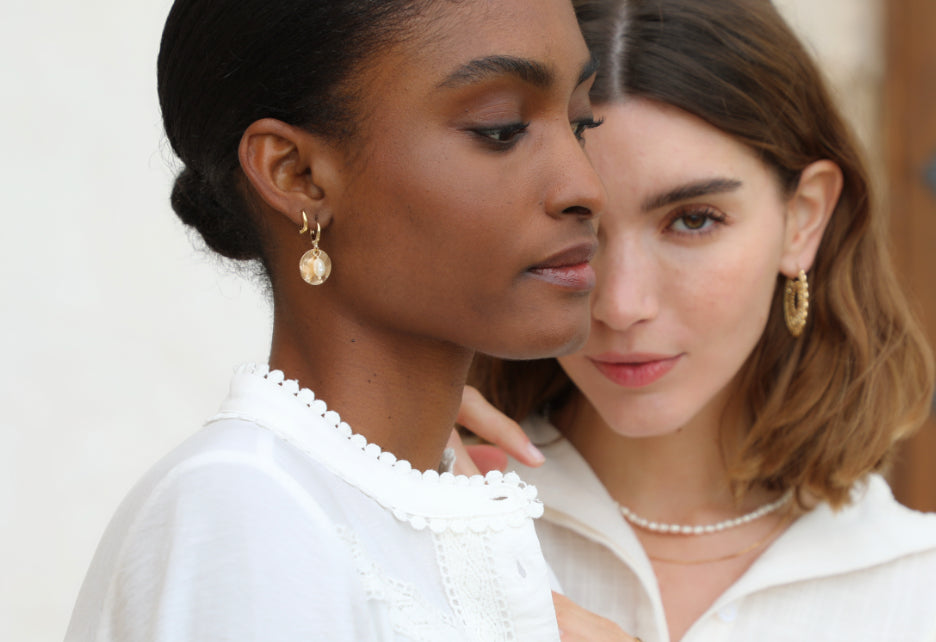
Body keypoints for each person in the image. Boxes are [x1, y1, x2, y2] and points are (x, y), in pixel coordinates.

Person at [461, 0, 936, 639]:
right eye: (579, 223)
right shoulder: (434, 518)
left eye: (693, 220)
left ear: (804, 219)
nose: (622, 305)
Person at [65, 0, 606, 639]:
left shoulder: (448, 512)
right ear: (297, 174)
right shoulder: (249, 508)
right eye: (501, 128)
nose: (586, 187)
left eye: (580, 123)